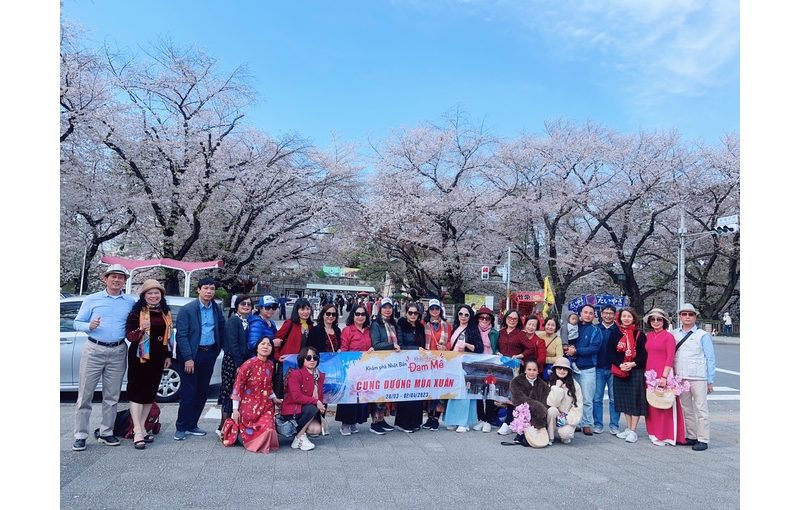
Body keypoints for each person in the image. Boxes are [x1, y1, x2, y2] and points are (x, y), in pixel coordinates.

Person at [72, 264, 136, 451]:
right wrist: (88, 326)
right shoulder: (92, 299)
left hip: (118, 350)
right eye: (113, 276)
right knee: (85, 394)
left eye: (120, 277)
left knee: (112, 395)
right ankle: (80, 435)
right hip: (94, 349)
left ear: (125, 281)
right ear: (105, 279)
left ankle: (106, 432)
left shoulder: (129, 302)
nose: (116, 280)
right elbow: (77, 322)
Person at [124, 279, 174, 450]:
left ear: (161, 295)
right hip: (140, 357)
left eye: (156, 293)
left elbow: (168, 338)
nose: (153, 296)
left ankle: (143, 427)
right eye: (150, 293)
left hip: (158, 358)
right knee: (137, 393)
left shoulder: (165, 312)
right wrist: (140, 329)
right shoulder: (137, 312)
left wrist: (169, 355)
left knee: (149, 393)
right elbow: (130, 336)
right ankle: (137, 430)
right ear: (144, 296)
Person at [174, 277, 225, 440]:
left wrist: (217, 350)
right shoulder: (187, 310)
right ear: (198, 290)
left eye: (212, 288)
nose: (209, 291)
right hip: (192, 355)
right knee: (188, 392)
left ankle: (192, 424)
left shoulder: (216, 309)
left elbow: (221, 329)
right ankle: (181, 426)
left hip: (209, 353)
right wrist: (188, 358)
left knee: (202, 392)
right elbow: (181, 336)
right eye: (206, 288)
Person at [673, 303, 716, 451]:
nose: (687, 317)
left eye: (690, 314)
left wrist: (710, 380)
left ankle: (703, 439)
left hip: (699, 377)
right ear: (680, 316)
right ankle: (691, 436)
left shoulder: (703, 335)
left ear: (695, 317)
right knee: (686, 409)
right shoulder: (674, 334)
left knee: (701, 409)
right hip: (681, 376)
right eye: (684, 314)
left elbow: (710, 358)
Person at [230, 336, 281, 453]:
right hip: (248, 407)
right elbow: (238, 387)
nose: (265, 347)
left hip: (265, 406)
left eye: (269, 345)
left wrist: (275, 399)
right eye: (263, 344)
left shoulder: (270, 365)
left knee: (269, 429)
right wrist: (235, 410)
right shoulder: (248, 364)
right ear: (257, 348)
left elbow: (268, 386)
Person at [643, 308, 685, 446]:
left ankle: (666, 435)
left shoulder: (668, 337)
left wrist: (664, 376)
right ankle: (654, 432)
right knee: (653, 404)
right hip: (650, 373)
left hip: (663, 373)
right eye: (653, 319)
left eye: (659, 319)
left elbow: (670, 357)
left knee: (665, 405)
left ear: (664, 321)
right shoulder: (648, 336)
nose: (656, 322)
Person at [441, 305, 484, 433]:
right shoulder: (455, 328)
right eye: (461, 314)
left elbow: (479, 348)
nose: (463, 317)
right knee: (454, 392)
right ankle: (453, 420)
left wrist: (466, 345)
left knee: (465, 393)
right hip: (454, 364)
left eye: (466, 314)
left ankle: (463, 422)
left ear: (470, 317)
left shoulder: (473, 330)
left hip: (467, 365)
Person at [608, 308, 648, 443]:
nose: (626, 318)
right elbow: (610, 352)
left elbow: (644, 355)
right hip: (620, 370)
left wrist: (632, 364)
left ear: (634, 318)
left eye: (629, 316)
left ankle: (633, 430)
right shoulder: (615, 333)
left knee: (635, 400)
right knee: (624, 401)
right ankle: (629, 428)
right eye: (623, 316)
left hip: (635, 370)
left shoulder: (640, 335)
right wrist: (620, 364)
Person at [218, 294, 253, 436]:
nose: (246, 306)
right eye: (243, 303)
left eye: (248, 304)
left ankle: (232, 426)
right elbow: (233, 344)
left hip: (243, 360)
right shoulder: (233, 321)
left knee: (238, 393)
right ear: (237, 305)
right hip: (233, 361)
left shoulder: (246, 321)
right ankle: (223, 426)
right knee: (229, 392)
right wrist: (239, 364)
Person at [336, 304, 373, 435]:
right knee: (349, 396)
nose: (360, 317)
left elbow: (373, 345)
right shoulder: (347, 330)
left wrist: (373, 349)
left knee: (360, 397)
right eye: (357, 314)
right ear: (353, 315)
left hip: (365, 369)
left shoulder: (369, 330)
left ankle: (354, 422)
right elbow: (344, 348)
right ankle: (345, 423)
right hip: (351, 368)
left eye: (363, 314)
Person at [280, 346, 326, 451]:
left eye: (315, 357)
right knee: (312, 408)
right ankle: (299, 438)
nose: (312, 360)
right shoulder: (296, 374)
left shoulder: (320, 376)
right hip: (293, 409)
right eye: (308, 357)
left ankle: (302, 431)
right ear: (302, 359)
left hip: (308, 409)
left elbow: (320, 395)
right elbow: (297, 397)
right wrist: (316, 402)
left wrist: (321, 410)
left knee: (316, 429)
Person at [564, 304, 600, 436]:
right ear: (580, 314)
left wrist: (576, 351)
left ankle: (586, 424)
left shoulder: (595, 330)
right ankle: (576, 422)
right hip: (572, 367)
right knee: (574, 397)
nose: (588, 315)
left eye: (591, 313)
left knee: (587, 398)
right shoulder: (573, 326)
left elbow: (594, 348)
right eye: (585, 312)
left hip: (588, 367)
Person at [369, 297, 400, 434]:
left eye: (390, 307)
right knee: (378, 392)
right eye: (385, 307)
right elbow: (376, 344)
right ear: (380, 308)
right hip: (380, 363)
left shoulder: (392, 324)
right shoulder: (376, 324)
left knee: (386, 392)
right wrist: (391, 345)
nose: (387, 310)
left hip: (391, 364)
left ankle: (381, 419)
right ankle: (375, 422)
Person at [394, 302, 426, 432]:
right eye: (410, 312)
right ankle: (404, 423)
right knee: (406, 393)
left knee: (417, 392)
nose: (413, 315)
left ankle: (415, 422)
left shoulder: (420, 326)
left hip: (418, 364)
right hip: (405, 362)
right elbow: (400, 345)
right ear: (406, 313)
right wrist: (416, 349)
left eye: (415, 313)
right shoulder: (401, 325)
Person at [495, 309, 527, 435]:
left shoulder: (520, 334)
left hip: (514, 368)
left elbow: (529, 348)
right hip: (502, 368)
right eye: (510, 318)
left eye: (515, 319)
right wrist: (497, 352)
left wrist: (520, 356)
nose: (512, 321)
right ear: (505, 318)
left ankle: (508, 422)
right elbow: (496, 346)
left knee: (511, 394)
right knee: (501, 393)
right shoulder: (501, 332)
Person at [504, 359, 549, 445]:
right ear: (525, 370)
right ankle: (521, 434)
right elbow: (518, 398)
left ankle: (535, 434)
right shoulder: (516, 382)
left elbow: (545, 401)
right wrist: (537, 406)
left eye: (534, 370)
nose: (531, 372)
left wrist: (540, 409)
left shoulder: (543, 385)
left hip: (538, 413)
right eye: (529, 369)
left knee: (543, 412)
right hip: (523, 409)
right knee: (523, 411)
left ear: (538, 371)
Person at [422, 298, 451, 430]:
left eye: (437, 309)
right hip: (426, 361)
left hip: (441, 361)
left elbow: (451, 342)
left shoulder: (447, 325)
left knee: (439, 389)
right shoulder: (423, 324)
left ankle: (436, 418)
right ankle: (429, 416)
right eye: (432, 309)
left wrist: (446, 347)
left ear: (440, 310)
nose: (434, 311)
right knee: (428, 388)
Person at [593, 305, 621, 435]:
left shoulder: (619, 330)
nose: (608, 315)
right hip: (598, 367)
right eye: (605, 313)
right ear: (601, 314)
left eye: (611, 313)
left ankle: (614, 425)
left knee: (614, 399)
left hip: (614, 368)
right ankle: (598, 424)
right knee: (597, 398)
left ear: (615, 315)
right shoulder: (596, 329)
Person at [473, 306, 500, 433]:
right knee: (478, 392)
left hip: (490, 364)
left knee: (490, 391)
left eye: (487, 318)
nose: (484, 320)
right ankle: (481, 419)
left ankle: (488, 420)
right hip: (477, 364)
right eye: (482, 317)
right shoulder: (473, 331)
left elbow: (497, 347)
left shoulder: (495, 333)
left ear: (491, 320)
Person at [545, 357, 583, 445]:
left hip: (567, 416)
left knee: (566, 434)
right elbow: (552, 403)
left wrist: (567, 419)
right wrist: (557, 388)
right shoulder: (550, 383)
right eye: (559, 368)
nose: (562, 371)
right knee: (552, 410)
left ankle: (565, 433)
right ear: (555, 369)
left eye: (565, 369)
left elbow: (578, 406)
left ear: (568, 371)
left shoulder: (575, 385)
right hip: (555, 414)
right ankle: (550, 437)